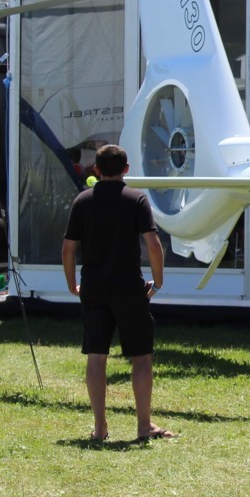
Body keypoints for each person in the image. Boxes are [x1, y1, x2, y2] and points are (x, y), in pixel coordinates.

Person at [61, 143, 171, 443]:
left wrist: (72, 284)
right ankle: (144, 426)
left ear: (96, 170)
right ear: (126, 169)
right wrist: (157, 282)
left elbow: (68, 248)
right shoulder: (136, 199)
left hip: (94, 289)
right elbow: (153, 244)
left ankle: (100, 427)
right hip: (128, 288)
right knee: (141, 357)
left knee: (96, 357)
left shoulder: (82, 201)